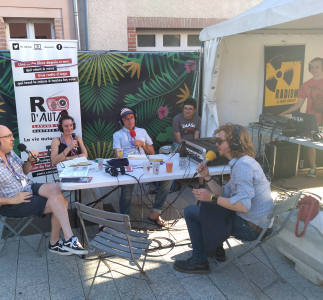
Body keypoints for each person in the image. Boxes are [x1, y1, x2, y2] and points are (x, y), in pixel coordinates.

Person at [0, 123, 87, 256]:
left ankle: (64, 240)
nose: (13, 138)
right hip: (11, 202)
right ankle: (61, 241)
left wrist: (30, 161)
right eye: (8, 136)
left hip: (26, 187)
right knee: (62, 203)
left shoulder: (9, 153)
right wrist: (10, 200)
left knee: (55, 188)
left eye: (12, 135)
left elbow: (23, 171)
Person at [174, 124, 273, 274]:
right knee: (212, 207)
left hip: (251, 228)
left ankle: (199, 261)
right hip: (256, 223)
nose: (216, 144)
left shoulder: (243, 166)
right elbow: (225, 194)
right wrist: (207, 178)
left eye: (220, 141)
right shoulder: (242, 162)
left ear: (234, 143)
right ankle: (216, 250)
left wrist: (212, 198)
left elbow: (242, 206)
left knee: (191, 211)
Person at [113, 108, 173, 226]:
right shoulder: (117, 135)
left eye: (131, 118)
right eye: (126, 119)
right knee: (126, 188)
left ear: (135, 118)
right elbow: (117, 155)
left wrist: (143, 144)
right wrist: (121, 153)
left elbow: (151, 152)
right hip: (128, 164)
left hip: (144, 164)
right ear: (121, 121)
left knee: (168, 178)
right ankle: (125, 220)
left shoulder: (142, 131)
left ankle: (156, 212)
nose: (129, 121)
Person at [279, 57, 323, 178]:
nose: (314, 69)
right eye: (312, 67)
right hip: (310, 121)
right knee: (310, 144)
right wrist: (284, 113)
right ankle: (313, 168)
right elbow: (298, 104)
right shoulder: (306, 84)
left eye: (317, 66)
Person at [51, 110, 102, 210]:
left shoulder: (77, 138)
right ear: (61, 127)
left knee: (94, 185)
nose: (69, 128)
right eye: (66, 126)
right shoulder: (56, 141)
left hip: (81, 169)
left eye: (71, 125)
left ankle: (98, 209)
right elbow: (54, 161)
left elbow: (85, 155)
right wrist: (69, 148)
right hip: (67, 173)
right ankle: (89, 212)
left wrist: (66, 158)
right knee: (85, 187)